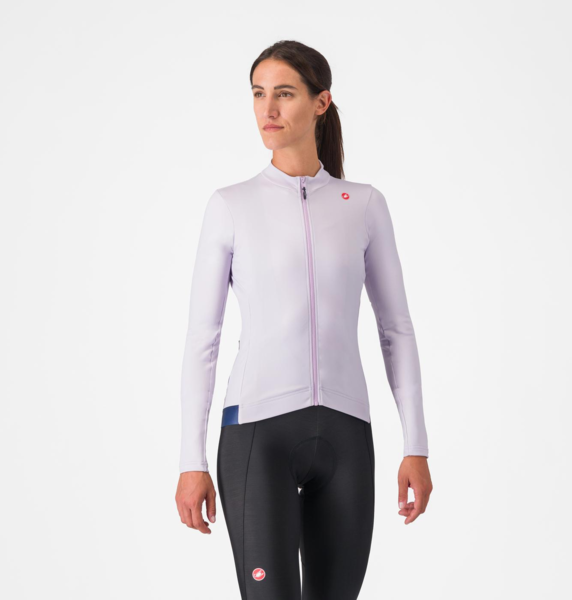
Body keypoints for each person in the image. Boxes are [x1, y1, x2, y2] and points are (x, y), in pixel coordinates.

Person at [175, 40, 433, 600]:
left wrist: (416, 445)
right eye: (258, 94)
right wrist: (190, 460)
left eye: (285, 94)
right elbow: (202, 339)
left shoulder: (364, 205)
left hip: (347, 434)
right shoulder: (231, 205)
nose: (267, 109)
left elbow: (396, 329)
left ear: (321, 102)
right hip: (256, 435)